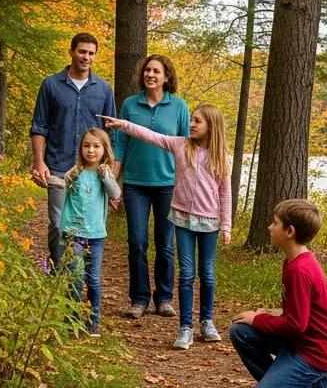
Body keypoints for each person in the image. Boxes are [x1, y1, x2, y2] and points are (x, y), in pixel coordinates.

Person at [104, 105, 231, 350]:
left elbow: (225, 193)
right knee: (186, 273)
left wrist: (226, 225)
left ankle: (206, 321)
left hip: (210, 223)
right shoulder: (180, 145)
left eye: (197, 121)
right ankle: (185, 327)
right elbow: (152, 136)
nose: (192, 124)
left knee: (207, 273)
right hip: (183, 219)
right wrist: (124, 125)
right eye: (192, 120)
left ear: (211, 127)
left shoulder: (220, 157)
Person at [229, 199, 327, 388]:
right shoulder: (293, 261)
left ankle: (326, 385)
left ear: (290, 231)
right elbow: (298, 316)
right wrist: (261, 317)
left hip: (316, 352)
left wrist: (258, 319)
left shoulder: (300, 270)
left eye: (275, 223)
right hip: (299, 342)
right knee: (240, 331)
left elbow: (296, 324)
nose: (269, 227)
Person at [111, 54, 190, 319]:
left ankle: (165, 298)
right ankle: (139, 298)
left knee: (166, 244)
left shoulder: (178, 106)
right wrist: (114, 184)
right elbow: (120, 144)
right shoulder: (130, 104)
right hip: (135, 184)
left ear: (167, 76)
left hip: (168, 184)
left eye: (156, 71)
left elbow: (186, 147)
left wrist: (188, 184)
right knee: (137, 242)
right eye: (147, 70)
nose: (150, 75)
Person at [30, 33, 116, 272]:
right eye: (82, 51)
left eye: (90, 53)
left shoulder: (104, 90)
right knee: (58, 224)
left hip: (90, 171)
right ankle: (59, 272)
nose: (86, 57)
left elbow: (109, 136)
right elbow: (39, 126)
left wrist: (109, 175)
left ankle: (78, 276)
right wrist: (39, 161)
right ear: (71, 52)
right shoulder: (51, 84)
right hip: (58, 165)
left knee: (84, 225)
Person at [61, 128, 121, 336]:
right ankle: (72, 319)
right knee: (75, 277)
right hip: (72, 232)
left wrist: (106, 176)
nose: (91, 150)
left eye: (96, 146)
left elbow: (115, 194)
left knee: (93, 278)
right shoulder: (75, 172)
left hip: (95, 235)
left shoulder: (104, 174)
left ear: (104, 150)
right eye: (87, 146)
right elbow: (60, 187)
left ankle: (93, 320)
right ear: (81, 149)